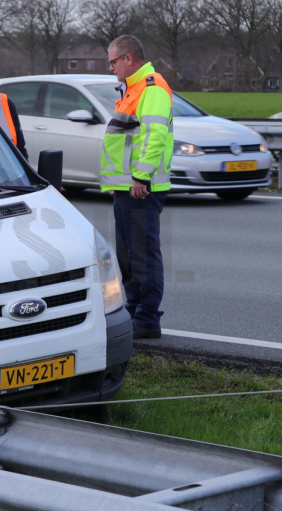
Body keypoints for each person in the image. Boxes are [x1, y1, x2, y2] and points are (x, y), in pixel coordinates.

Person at [101, 35, 173, 340]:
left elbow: (155, 136)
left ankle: (146, 319)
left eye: (113, 61)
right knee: (129, 254)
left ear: (129, 58)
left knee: (142, 254)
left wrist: (142, 177)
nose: (111, 68)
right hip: (128, 186)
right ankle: (136, 311)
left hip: (142, 187)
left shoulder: (151, 87)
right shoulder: (132, 88)